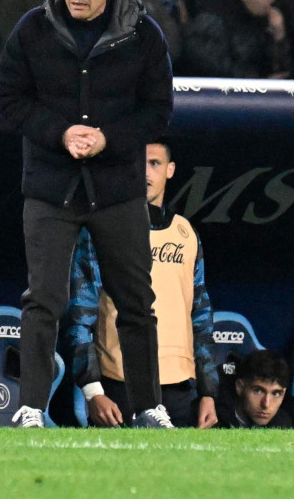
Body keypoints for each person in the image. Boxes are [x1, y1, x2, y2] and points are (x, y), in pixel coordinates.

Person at [0, 0, 174, 429]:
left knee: (136, 304)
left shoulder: (144, 34)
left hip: (117, 189)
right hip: (52, 187)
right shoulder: (32, 28)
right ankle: (31, 408)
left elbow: (159, 110)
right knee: (43, 300)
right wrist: (60, 132)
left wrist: (108, 139)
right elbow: (8, 96)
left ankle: (149, 408)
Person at [68, 142, 220, 429]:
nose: (145, 173)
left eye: (154, 163)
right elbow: (80, 311)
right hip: (119, 385)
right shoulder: (102, 231)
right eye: (138, 164)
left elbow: (200, 316)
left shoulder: (186, 234)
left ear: (170, 170)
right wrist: (93, 391)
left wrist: (208, 392)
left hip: (180, 387)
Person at [184, 0, 290, 79]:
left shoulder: (265, 23)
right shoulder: (213, 21)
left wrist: (279, 36)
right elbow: (211, 67)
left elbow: (279, 69)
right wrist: (258, 81)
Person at [215, 350, 293, 428]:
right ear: (240, 387)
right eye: (258, 391)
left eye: (276, 394)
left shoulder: (283, 425)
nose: (266, 404)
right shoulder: (213, 418)